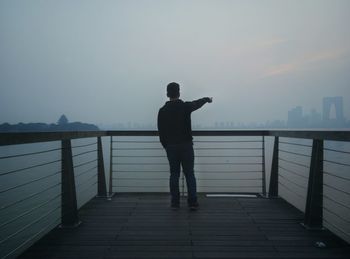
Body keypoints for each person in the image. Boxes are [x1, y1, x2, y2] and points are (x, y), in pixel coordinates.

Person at [157, 82, 212, 210]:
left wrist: (166, 145)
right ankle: (192, 202)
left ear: (167, 94)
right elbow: (197, 103)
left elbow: (161, 132)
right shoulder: (185, 107)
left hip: (171, 147)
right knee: (189, 174)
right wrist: (207, 99)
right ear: (179, 92)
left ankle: (175, 203)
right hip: (186, 145)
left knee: (174, 174)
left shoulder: (162, 111)